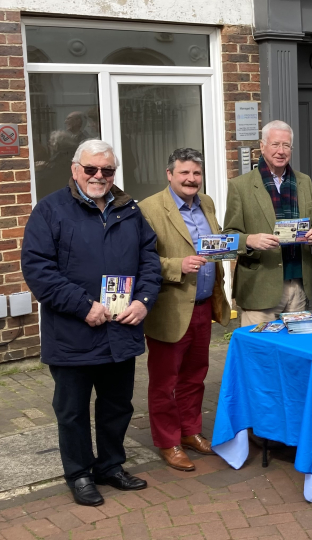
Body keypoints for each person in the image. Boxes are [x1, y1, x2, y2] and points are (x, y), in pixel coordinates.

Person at [21, 139, 162, 506]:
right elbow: (38, 269)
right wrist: (83, 306)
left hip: (121, 329)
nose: (99, 176)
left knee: (118, 405)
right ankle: (80, 473)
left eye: (107, 170)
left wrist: (143, 302)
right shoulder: (49, 210)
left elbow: (150, 259)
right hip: (73, 332)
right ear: (75, 169)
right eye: (91, 169)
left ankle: (111, 466)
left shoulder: (129, 209)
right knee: (72, 411)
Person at [138, 148, 231, 472]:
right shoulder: (149, 209)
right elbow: (142, 260)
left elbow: (215, 243)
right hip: (171, 308)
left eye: (196, 173)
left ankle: (190, 432)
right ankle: (168, 441)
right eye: (184, 173)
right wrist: (179, 264)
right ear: (169, 174)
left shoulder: (206, 203)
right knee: (165, 382)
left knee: (195, 377)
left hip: (205, 305)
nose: (191, 179)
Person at [223, 120, 312, 327]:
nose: (281, 151)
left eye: (286, 146)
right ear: (262, 146)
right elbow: (229, 235)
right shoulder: (240, 186)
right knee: (260, 354)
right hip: (260, 287)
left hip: (299, 284)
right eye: (275, 144)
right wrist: (250, 240)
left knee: (296, 352)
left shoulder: (304, 182)